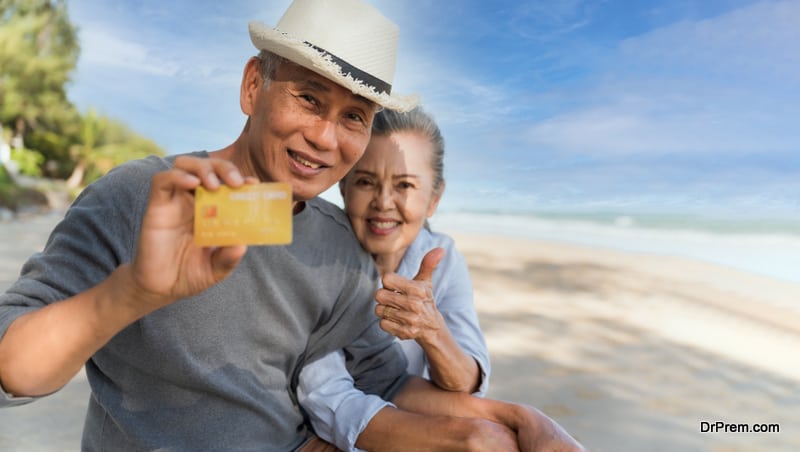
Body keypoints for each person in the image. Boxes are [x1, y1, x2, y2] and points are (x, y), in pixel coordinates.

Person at [0, 0, 584, 450]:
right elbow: (15, 370)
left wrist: (519, 419)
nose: (326, 139)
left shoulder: (338, 246)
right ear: (254, 85)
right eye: (309, 99)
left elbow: (385, 383)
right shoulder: (142, 197)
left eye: (353, 116)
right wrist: (133, 293)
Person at [298, 107, 492, 450]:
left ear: (434, 199)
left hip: (413, 421)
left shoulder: (441, 258)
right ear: (343, 187)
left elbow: (467, 381)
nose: (383, 203)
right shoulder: (314, 258)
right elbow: (324, 396)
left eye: (404, 185)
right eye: (365, 181)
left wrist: (432, 332)